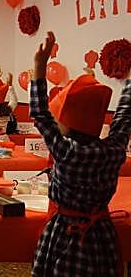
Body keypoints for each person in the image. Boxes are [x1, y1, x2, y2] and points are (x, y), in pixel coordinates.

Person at [30, 32, 130, 277]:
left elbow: (40, 113)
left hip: (64, 234)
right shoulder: (114, 150)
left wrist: (39, 66)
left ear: (67, 125)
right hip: (100, 235)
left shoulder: (67, 153)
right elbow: (124, 115)